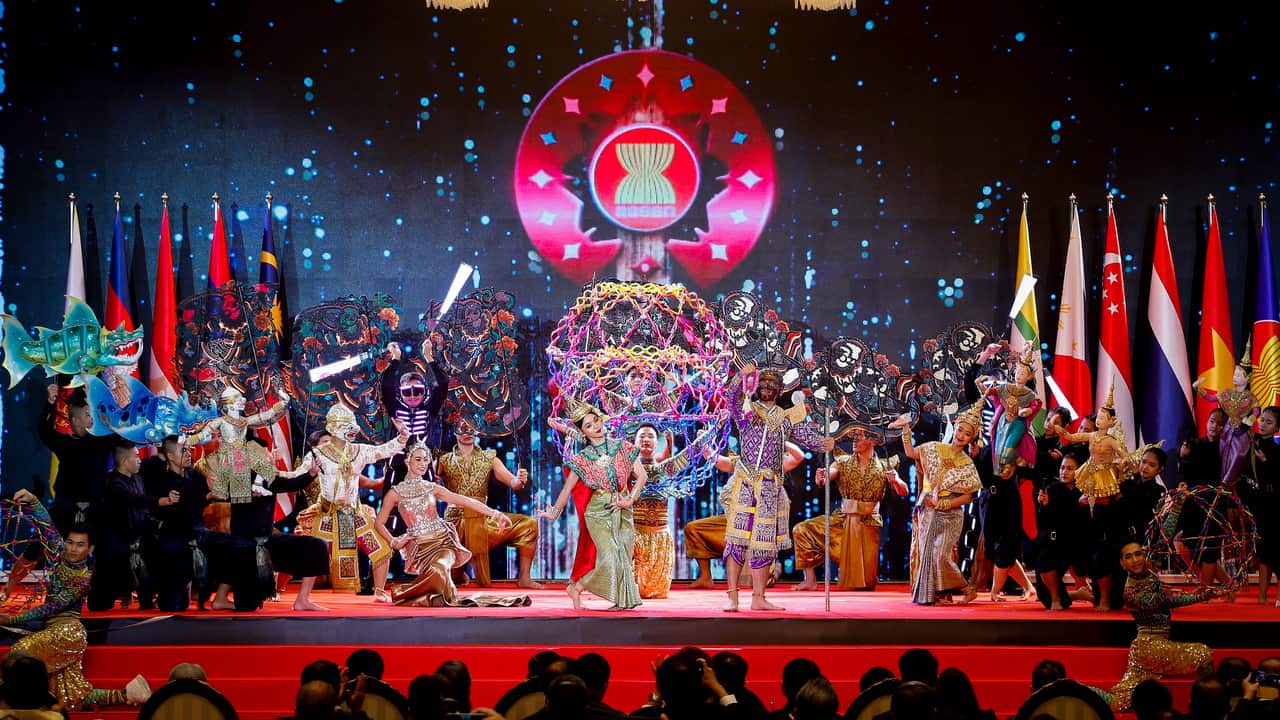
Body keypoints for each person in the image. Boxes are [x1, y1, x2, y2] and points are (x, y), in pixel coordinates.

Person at [0, 490, 150, 709]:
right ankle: (129, 693)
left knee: (19, 654)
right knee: (71, 696)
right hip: (53, 631)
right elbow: (46, 527)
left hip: (67, 633)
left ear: (90, 549)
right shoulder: (59, 554)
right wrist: (33, 500)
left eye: (80, 545)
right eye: (70, 543)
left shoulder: (83, 580)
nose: (72, 549)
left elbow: (51, 607)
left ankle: (7, 703)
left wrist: (11, 620)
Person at [720, 363, 833, 612]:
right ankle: (733, 597)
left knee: (764, 543)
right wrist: (742, 375)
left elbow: (809, 438)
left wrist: (825, 442)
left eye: (772, 385)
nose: (766, 388)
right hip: (747, 481)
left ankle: (758, 597)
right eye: (762, 384)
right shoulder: (747, 411)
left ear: (780, 389)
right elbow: (730, 399)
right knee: (737, 541)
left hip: (771, 486)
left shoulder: (785, 419)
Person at [374, 440, 526, 607]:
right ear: (407, 461)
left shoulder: (432, 488)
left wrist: (495, 513)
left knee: (440, 569)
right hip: (421, 550)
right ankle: (437, 595)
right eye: (418, 459)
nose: (423, 463)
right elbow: (379, 524)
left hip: (443, 543)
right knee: (440, 583)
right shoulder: (395, 493)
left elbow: (466, 501)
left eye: (426, 459)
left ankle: (402, 592)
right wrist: (394, 542)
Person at [285, 404, 407, 597]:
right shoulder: (318, 454)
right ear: (333, 428)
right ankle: (295, 594)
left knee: (382, 550)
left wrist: (402, 436)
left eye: (352, 427)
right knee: (311, 553)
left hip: (354, 513)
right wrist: (272, 471)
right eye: (346, 427)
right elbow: (294, 476)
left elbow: (383, 450)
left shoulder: (359, 450)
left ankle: (380, 592)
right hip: (326, 514)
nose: (352, 432)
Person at [540, 402, 648, 611]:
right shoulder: (582, 459)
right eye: (588, 425)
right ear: (583, 432)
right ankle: (577, 588)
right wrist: (553, 513)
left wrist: (629, 500)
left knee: (623, 554)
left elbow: (641, 476)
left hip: (624, 507)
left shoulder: (623, 447)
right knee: (609, 556)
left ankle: (621, 601)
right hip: (598, 512)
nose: (595, 426)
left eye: (596, 420)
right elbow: (567, 490)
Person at [1109, 522, 1223, 711]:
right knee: (1203, 653)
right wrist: (1203, 595)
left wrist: (1178, 502)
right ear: (1122, 563)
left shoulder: (1149, 570)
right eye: (1129, 557)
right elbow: (1169, 602)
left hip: (1149, 648)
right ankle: (1210, 706)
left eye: (1138, 554)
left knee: (1123, 701)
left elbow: (1165, 537)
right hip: (1150, 647)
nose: (1136, 560)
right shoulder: (1130, 593)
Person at [793, 427, 906, 590]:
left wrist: (896, 481)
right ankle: (809, 579)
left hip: (868, 524)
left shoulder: (885, 465)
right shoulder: (842, 461)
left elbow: (904, 491)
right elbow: (830, 473)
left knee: (864, 585)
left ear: (872, 440)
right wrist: (822, 476)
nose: (855, 440)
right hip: (843, 521)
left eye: (860, 436)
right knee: (801, 530)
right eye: (854, 437)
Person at [891, 406, 983, 605]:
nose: (961, 436)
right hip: (928, 511)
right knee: (927, 555)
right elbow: (911, 453)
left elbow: (967, 498)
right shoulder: (934, 447)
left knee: (940, 555)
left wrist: (945, 503)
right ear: (955, 427)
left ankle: (967, 588)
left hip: (950, 516)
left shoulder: (967, 463)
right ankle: (933, 595)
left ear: (971, 439)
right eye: (960, 430)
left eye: (967, 434)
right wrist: (906, 429)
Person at [436, 419, 540, 588]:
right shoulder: (443, 460)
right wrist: (431, 480)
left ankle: (524, 578)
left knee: (529, 525)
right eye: (463, 428)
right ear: (455, 431)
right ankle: (457, 572)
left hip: (484, 520)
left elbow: (513, 483)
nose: (468, 433)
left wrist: (520, 480)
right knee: (453, 577)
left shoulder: (490, 458)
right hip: (455, 522)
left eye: (472, 428)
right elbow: (425, 484)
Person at [685, 442, 804, 589]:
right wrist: (704, 445)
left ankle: (774, 570)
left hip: (759, 525)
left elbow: (798, 456)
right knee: (694, 529)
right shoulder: (742, 462)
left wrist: (782, 436)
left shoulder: (776, 463)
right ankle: (705, 577)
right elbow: (718, 460)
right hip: (734, 521)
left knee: (761, 580)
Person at [140, 435, 228, 612]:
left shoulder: (195, 475)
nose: (189, 453)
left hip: (197, 533)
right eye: (183, 451)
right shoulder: (161, 480)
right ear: (171, 456)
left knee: (234, 546)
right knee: (173, 606)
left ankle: (216, 596)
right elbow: (175, 508)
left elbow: (201, 500)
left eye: (189, 449)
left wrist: (211, 495)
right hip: (173, 537)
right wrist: (205, 498)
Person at [88, 441, 169, 611]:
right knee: (101, 600)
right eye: (136, 457)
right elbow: (133, 498)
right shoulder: (112, 482)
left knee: (150, 568)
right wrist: (160, 501)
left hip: (138, 539)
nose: (139, 460)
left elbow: (142, 507)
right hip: (115, 543)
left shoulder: (138, 479)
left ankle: (147, 602)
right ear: (124, 461)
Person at [187, 385, 290, 505]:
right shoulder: (220, 423)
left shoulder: (243, 421)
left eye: (219, 436)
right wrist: (187, 441)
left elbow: (265, 416)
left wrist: (281, 404)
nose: (243, 402)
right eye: (237, 400)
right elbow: (202, 435)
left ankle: (257, 485)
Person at [36, 383, 116, 534]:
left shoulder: (102, 441)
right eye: (87, 414)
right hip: (65, 510)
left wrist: (97, 401)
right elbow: (43, 430)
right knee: (55, 548)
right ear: (75, 420)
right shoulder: (65, 444)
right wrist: (50, 403)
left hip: (96, 511)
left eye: (92, 414)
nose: (92, 418)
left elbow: (117, 428)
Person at [1194, 353, 1261, 488]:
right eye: (1234, 375)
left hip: (1242, 431)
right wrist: (1198, 388)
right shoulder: (1227, 393)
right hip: (1228, 429)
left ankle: (1229, 481)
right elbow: (1211, 398)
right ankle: (1222, 480)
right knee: (1224, 455)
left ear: (1248, 378)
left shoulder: (1250, 397)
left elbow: (1256, 411)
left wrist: (1251, 419)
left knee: (1238, 455)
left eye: (1238, 376)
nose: (1234, 378)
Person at [1178, 408, 1226, 587]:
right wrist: (1182, 456)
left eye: (1221, 424)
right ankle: (1226, 583)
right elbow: (1185, 471)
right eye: (1212, 421)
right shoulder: (1195, 444)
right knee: (1186, 541)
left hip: (1215, 503)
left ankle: (1205, 590)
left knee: (1210, 548)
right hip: (1193, 502)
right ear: (1207, 421)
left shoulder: (1227, 448)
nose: (1215, 426)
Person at [1246, 406, 1280, 605]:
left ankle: (1278, 596)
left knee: (1275, 550)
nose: (1264, 424)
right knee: (1264, 551)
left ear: (1277, 427)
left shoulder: (1276, 450)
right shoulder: (1252, 442)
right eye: (1262, 420)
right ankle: (1261, 596)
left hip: (1275, 504)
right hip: (1256, 504)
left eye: (1269, 422)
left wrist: (1265, 461)